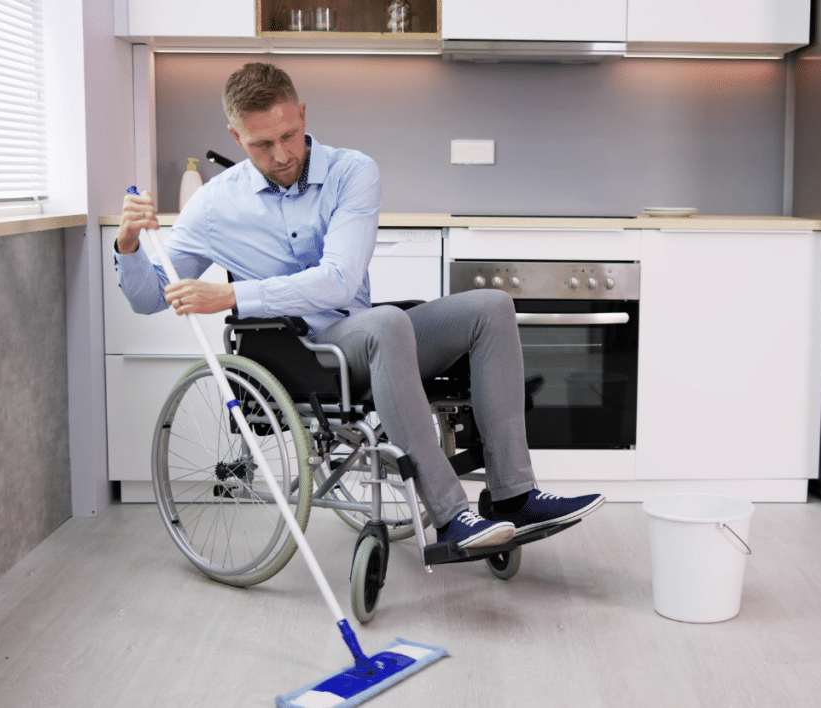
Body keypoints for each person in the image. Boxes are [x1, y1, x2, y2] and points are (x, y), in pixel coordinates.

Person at [113, 62, 605, 551]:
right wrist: (129, 243)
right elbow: (150, 298)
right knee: (387, 323)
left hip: (362, 332)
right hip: (301, 353)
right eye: (262, 144)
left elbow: (338, 283)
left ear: (303, 114)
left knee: (491, 306)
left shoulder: (353, 172)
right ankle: (452, 518)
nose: (281, 155)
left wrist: (232, 295)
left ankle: (513, 497)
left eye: (289, 134)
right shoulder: (214, 205)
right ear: (236, 137)